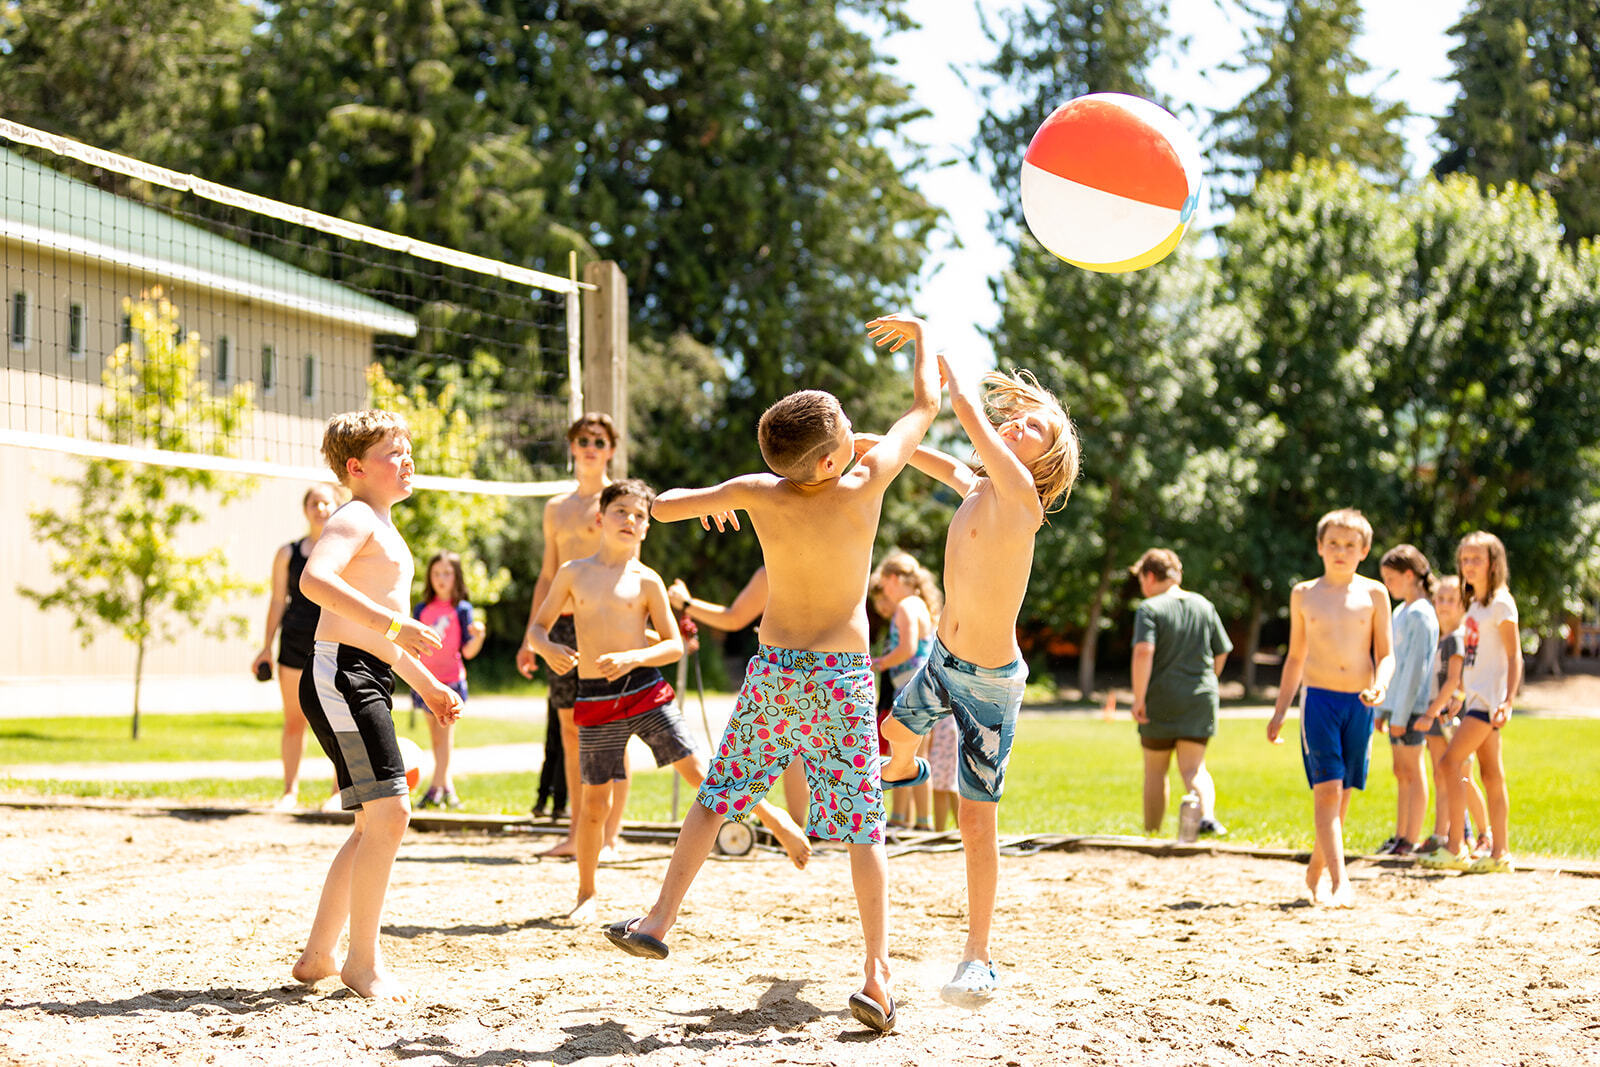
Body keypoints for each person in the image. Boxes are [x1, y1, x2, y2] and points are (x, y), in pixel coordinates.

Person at [602, 311, 942, 1035]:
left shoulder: (760, 489)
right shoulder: (865, 483)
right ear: (828, 461)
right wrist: (921, 335)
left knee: (717, 796)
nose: (856, 432)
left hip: (778, 672)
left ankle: (660, 917)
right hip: (844, 675)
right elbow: (924, 406)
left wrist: (716, 508)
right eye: (847, 428)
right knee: (864, 827)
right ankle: (878, 975)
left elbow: (661, 507)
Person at [877, 351, 1077, 1008]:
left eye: (1032, 428)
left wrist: (951, 381)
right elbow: (932, 458)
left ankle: (978, 956)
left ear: (1044, 461)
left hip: (991, 684)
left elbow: (967, 418)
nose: (1018, 424)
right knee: (891, 736)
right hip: (941, 659)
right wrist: (863, 444)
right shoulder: (978, 487)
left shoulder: (1023, 500)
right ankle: (904, 768)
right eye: (1018, 419)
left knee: (974, 820)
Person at [527, 480, 811, 919]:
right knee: (594, 804)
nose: (631, 520)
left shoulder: (648, 581)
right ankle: (586, 894)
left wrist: (633, 656)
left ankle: (774, 818)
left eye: (640, 516)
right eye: (621, 511)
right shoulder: (573, 573)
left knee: (702, 772)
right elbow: (538, 628)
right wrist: (546, 648)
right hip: (595, 697)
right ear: (601, 518)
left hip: (645, 689)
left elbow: (673, 645)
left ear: (646, 530)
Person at [291, 410, 463, 1003]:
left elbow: (380, 639)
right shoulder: (355, 515)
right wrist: (392, 621)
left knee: (373, 822)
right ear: (356, 467)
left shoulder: (384, 527)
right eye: (395, 452)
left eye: (409, 448)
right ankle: (361, 962)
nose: (407, 459)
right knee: (390, 817)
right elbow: (315, 582)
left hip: (360, 670)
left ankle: (320, 953)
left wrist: (427, 685)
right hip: (339, 673)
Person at [1266, 508, 1394, 908]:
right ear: (1320, 547)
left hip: (1359, 702)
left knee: (1343, 794)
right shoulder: (1304, 593)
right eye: (1333, 543)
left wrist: (1380, 686)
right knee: (1327, 791)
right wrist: (1280, 709)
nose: (1341, 551)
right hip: (1318, 701)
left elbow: (1386, 654)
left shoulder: (1375, 594)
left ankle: (1316, 869)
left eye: (1350, 545)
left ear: (1365, 550)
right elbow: (1295, 657)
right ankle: (1342, 883)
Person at [517, 413, 628, 857]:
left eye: (598, 441)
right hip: (561, 627)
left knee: (611, 727)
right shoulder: (556, 507)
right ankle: (577, 833)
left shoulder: (619, 500)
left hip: (605, 623)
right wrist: (532, 635)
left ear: (610, 450)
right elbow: (547, 575)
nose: (589, 446)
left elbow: (629, 566)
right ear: (571, 446)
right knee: (568, 728)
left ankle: (611, 835)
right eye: (582, 439)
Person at [667, 567, 810, 823]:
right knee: (807, 751)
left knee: (742, 765)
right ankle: (806, 829)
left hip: (784, 667)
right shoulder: (835, 554)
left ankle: (793, 827)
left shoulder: (775, 565)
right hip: (837, 665)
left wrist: (686, 603)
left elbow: (734, 619)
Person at [1422, 532, 1521, 874]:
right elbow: (1477, 660)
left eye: (1477, 559)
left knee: (1450, 764)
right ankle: (1500, 854)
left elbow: (1513, 654)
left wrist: (1508, 700)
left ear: (1494, 563)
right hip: (1475, 700)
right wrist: (1459, 695)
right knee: (1491, 775)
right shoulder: (1475, 607)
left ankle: (1455, 846)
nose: (1469, 566)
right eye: (1465, 560)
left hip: (1489, 703)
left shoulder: (1501, 603)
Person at [1127, 548, 1232, 838]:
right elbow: (1222, 651)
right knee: (1194, 768)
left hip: (1160, 699)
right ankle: (1207, 816)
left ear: (1149, 576)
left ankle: (1152, 834)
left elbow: (1144, 652)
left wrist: (1139, 698)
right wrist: (1208, 679)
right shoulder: (1203, 605)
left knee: (1155, 771)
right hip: (1200, 698)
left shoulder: (1150, 609)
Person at [251, 484, 340, 810]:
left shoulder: (344, 551)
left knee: (336, 720)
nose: (320, 508)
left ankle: (337, 793)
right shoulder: (287, 554)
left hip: (332, 644)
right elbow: (277, 601)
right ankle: (290, 792)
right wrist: (265, 647)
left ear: (336, 507)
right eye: (314, 503)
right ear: (306, 510)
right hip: (293, 644)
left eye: (326, 502)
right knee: (294, 720)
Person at [1415, 575, 1490, 856]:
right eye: (1440, 599)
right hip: (1437, 717)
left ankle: (1484, 834)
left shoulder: (1457, 638)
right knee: (1441, 776)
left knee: (1462, 777)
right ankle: (1442, 834)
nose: (1444, 605)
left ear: (1463, 606)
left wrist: (1430, 713)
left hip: (1451, 718)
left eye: (1452, 600)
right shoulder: (1439, 637)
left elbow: (1454, 682)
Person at [1374, 545, 1441, 858]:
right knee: (1400, 772)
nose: (1388, 584)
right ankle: (1400, 834)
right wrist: (1382, 708)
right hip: (1397, 708)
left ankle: (1411, 838)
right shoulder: (1401, 612)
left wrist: (1400, 714)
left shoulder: (1422, 613)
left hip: (1412, 709)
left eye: (1392, 577)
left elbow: (1415, 669)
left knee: (1413, 772)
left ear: (1410, 575)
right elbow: (1393, 665)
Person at [869, 551, 942, 832]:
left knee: (902, 756)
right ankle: (919, 821)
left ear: (893, 579)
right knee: (917, 757)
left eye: (884, 583)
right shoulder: (921, 604)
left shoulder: (906, 606)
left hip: (912, 687)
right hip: (926, 688)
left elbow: (907, 649)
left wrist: (878, 663)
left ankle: (902, 820)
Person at [412, 551, 487, 809]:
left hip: (451, 682)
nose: (441, 579)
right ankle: (447, 789)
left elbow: (468, 652)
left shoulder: (462, 610)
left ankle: (435, 789)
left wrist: (479, 636)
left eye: (447, 573)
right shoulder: (421, 609)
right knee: (435, 738)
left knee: (445, 737)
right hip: (424, 680)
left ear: (456, 577)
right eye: (436, 574)